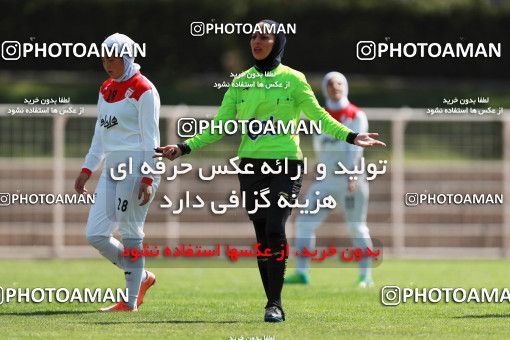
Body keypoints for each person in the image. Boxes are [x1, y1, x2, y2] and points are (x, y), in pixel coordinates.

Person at [155, 20, 385, 322]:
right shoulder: (241, 82)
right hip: (251, 166)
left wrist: (352, 136)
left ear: (277, 42)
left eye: (264, 37)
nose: (256, 42)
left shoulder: (293, 79)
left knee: (276, 228)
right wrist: (184, 147)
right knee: (263, 236)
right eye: (253, 37)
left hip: (286, 165)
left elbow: (319, 117)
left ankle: (274, 304)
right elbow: (220, 125)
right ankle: (271, 299)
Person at [74, 33, 160, 312]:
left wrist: (148, 177)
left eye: (114, 59)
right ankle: (141, 276)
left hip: (136, 169)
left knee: (131, 232)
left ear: (128, 58)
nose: (109, 64)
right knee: (95, 234)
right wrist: (88, 168)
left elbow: (151, 140)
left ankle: (130, 301)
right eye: (105, 59)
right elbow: (100, 133)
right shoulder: (105, 88)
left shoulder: (144, 90)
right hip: (112, 168)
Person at [284, 71, 375, 288]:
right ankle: (302, 273)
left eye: (340, 83)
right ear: (325, 88)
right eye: (331, 84)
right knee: (304, 223)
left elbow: (356, 149)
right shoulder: (319, 116)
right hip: (326, 180)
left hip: (350, 180)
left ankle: (366, 276)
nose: (336, 88)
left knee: (356, 227)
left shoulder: (356, 115)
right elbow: (320, 148)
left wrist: (352, 174)